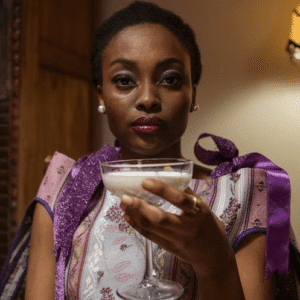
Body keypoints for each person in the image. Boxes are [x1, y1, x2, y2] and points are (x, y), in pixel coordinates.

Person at [0, 2, 299, 300]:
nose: (147, 98)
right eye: (124, 80)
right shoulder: (65, 190)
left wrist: (215, 263)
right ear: (101, 94)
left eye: (170, 79)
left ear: (193, 91)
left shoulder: (244, 194)